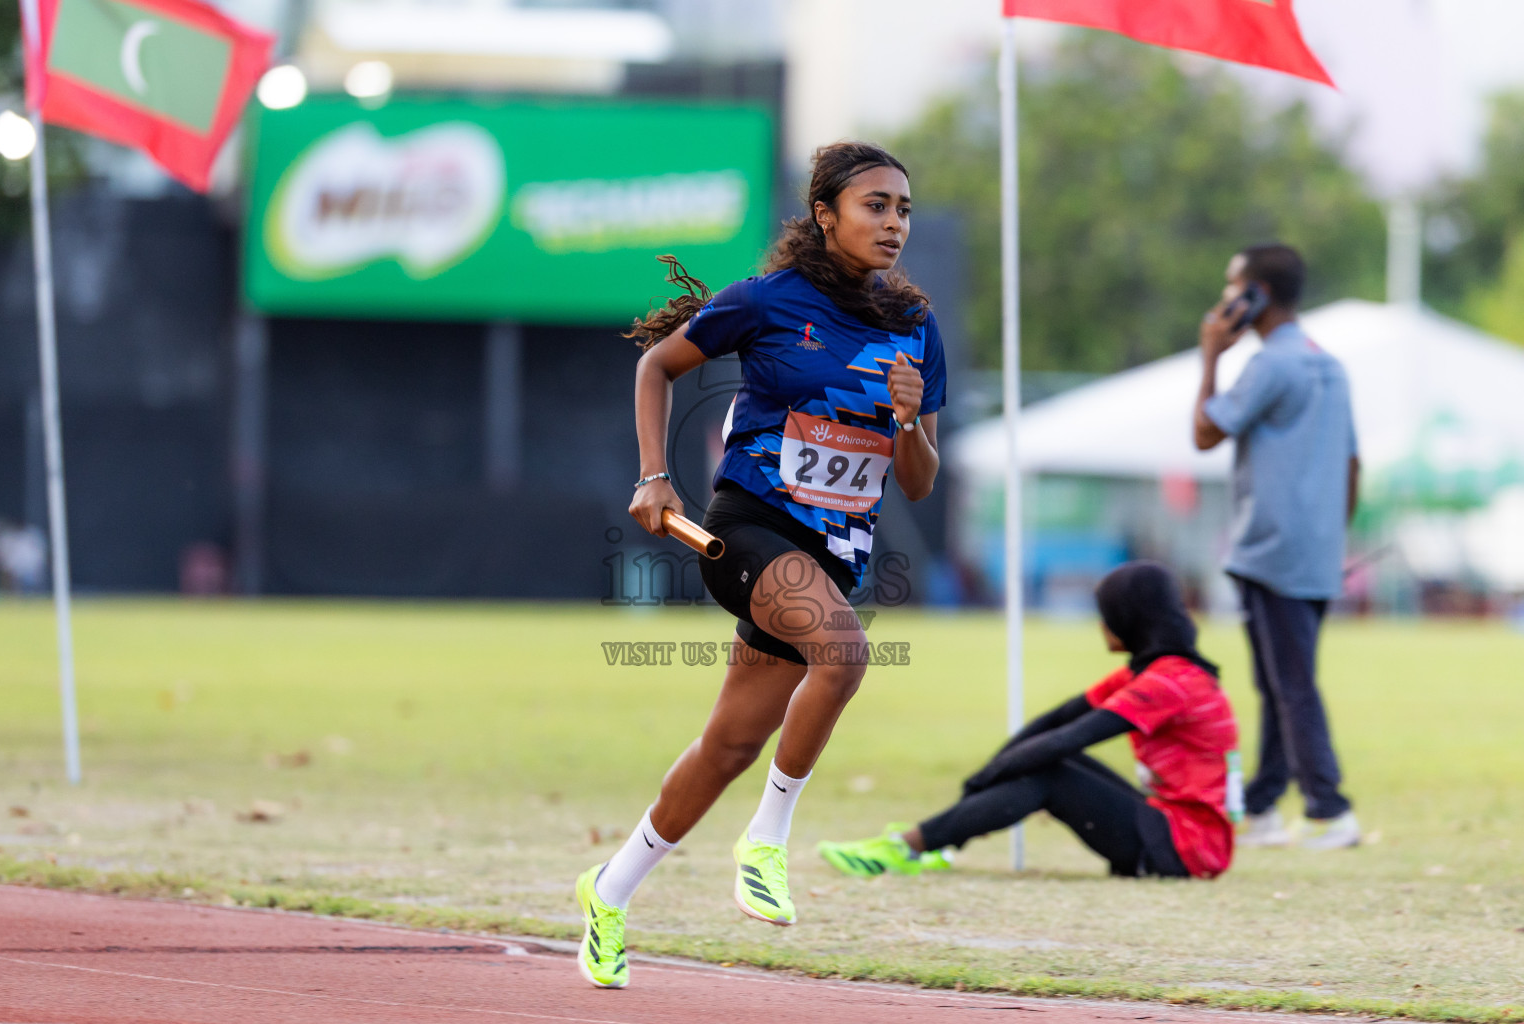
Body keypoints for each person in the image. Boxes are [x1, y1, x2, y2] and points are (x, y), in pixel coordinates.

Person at [574, 142, 947, 989]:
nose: (894, 224)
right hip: (746, 531)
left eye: (904, 209)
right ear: (826, 214)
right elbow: (655, 365)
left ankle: (609, 889)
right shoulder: (771, 301)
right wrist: (652, 473)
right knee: (844, 654)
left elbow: (920, 484)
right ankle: (768, 841)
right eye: (875, 206)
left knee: (731, 744)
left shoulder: (915, 326)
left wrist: (910, 420)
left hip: (833, 555)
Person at [817, 561, 1239, 881]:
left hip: (1188, 848)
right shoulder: (1152, 672)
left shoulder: (1171, 682)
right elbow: (1055, 720)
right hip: (1173, 826)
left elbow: (1069, 739)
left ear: (1131, 618)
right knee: (1048, 764)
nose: (1101, 624)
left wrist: (986, 778)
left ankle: (904, 848)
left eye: (1106, 613)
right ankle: (936, 842)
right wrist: (983, 780)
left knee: (1051, 774)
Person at [1193, 243, 1361, 851]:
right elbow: (1352, 463)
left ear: (1256, 294)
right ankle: (1263, 805)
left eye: (1231, 287)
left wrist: (1211, 355)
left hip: (1269, 547)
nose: (1224, 301)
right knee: (1280, 680)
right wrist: (1332, 540)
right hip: (1316, 551)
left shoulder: (1268, 367)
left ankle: (1329, 809)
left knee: (1290, 684)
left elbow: (1205, 432)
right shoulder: (1330, 364)